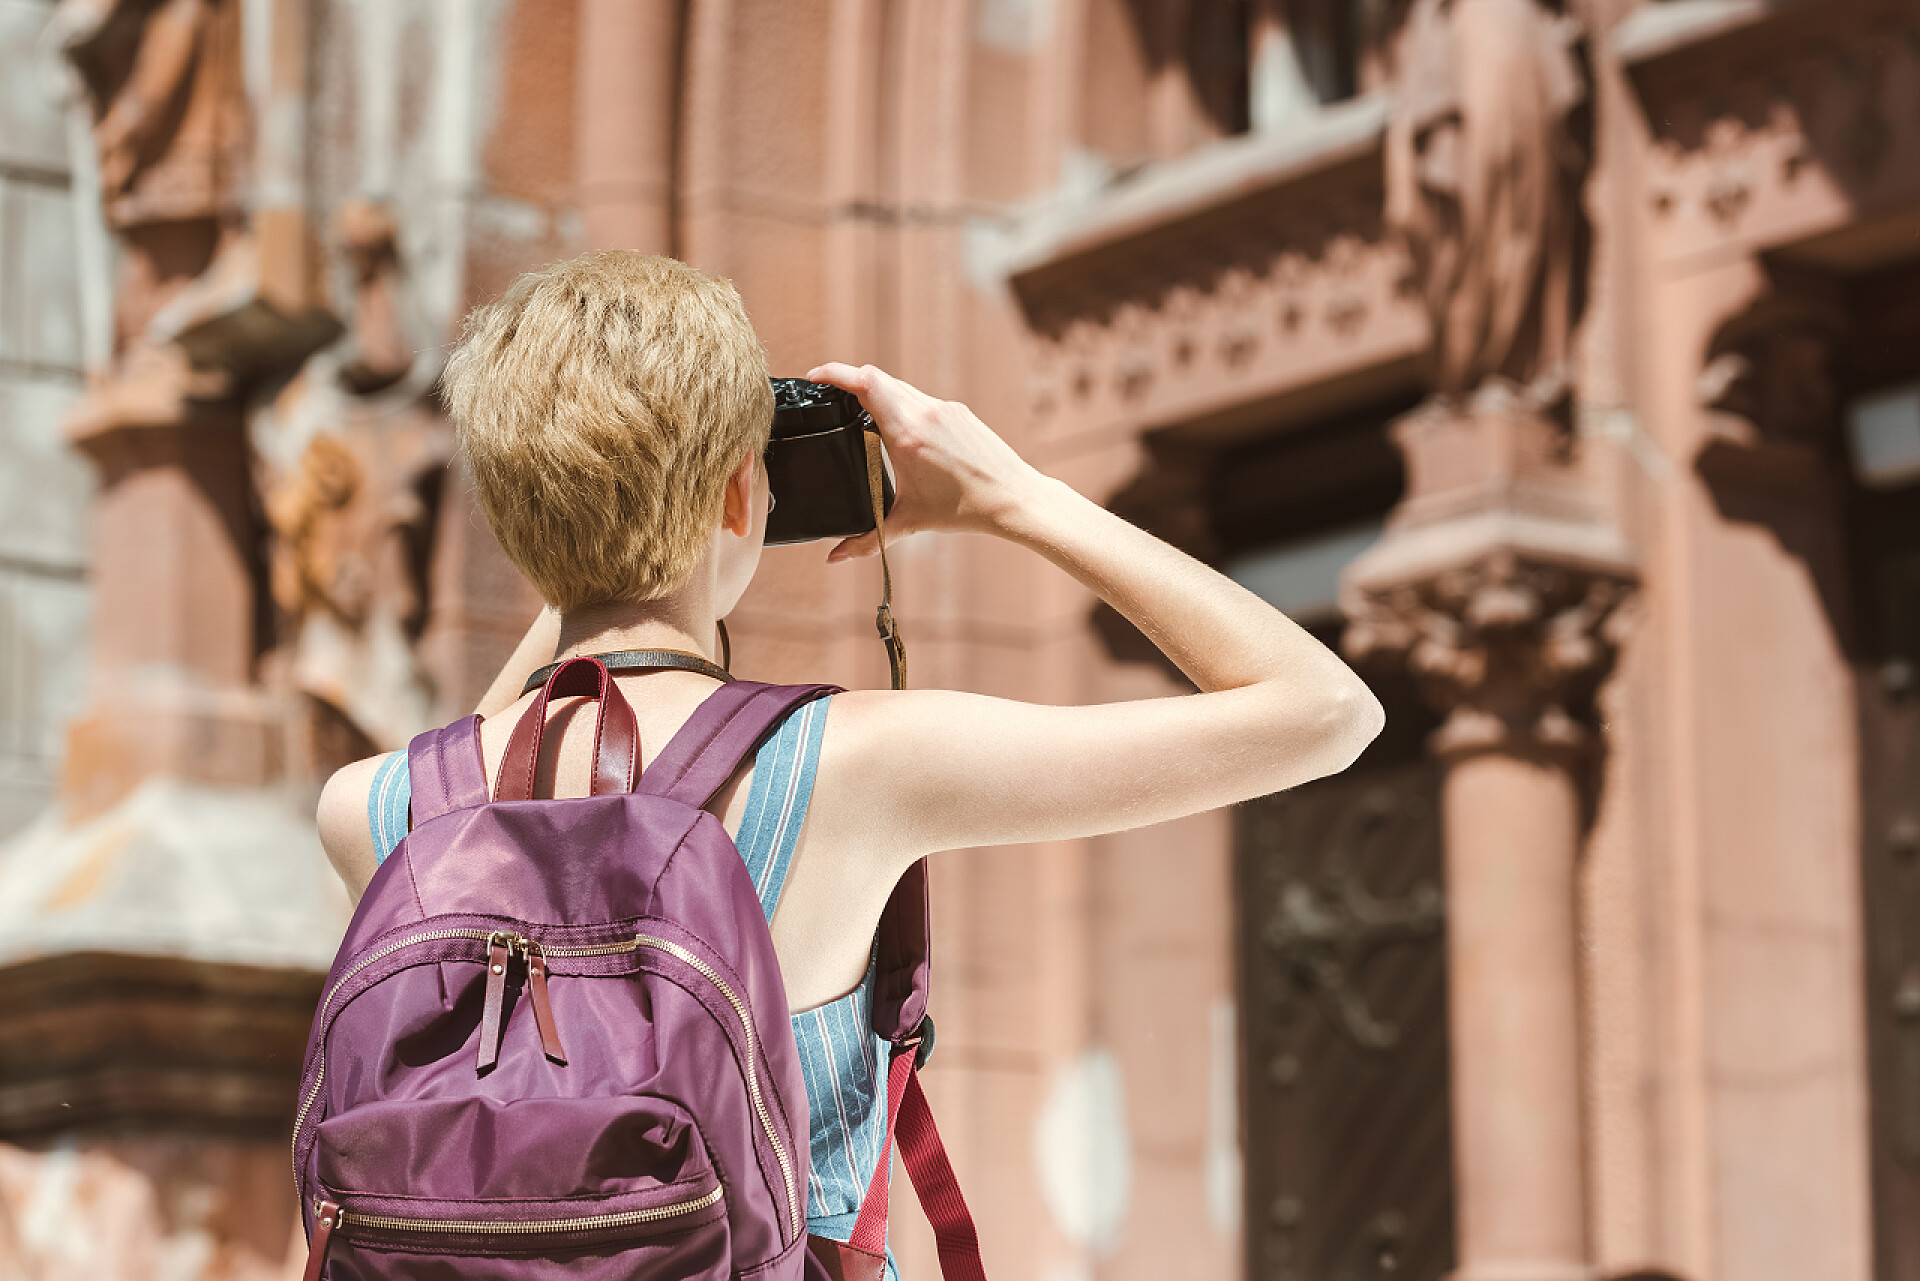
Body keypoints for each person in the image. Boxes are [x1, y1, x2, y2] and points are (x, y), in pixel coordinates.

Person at [315, 250, 1385, 1266]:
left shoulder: (372, 808)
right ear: (744, 493)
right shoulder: (849, 766)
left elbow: (495, 788)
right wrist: (1010, 495)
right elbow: (1326, 710)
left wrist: (581, 534)